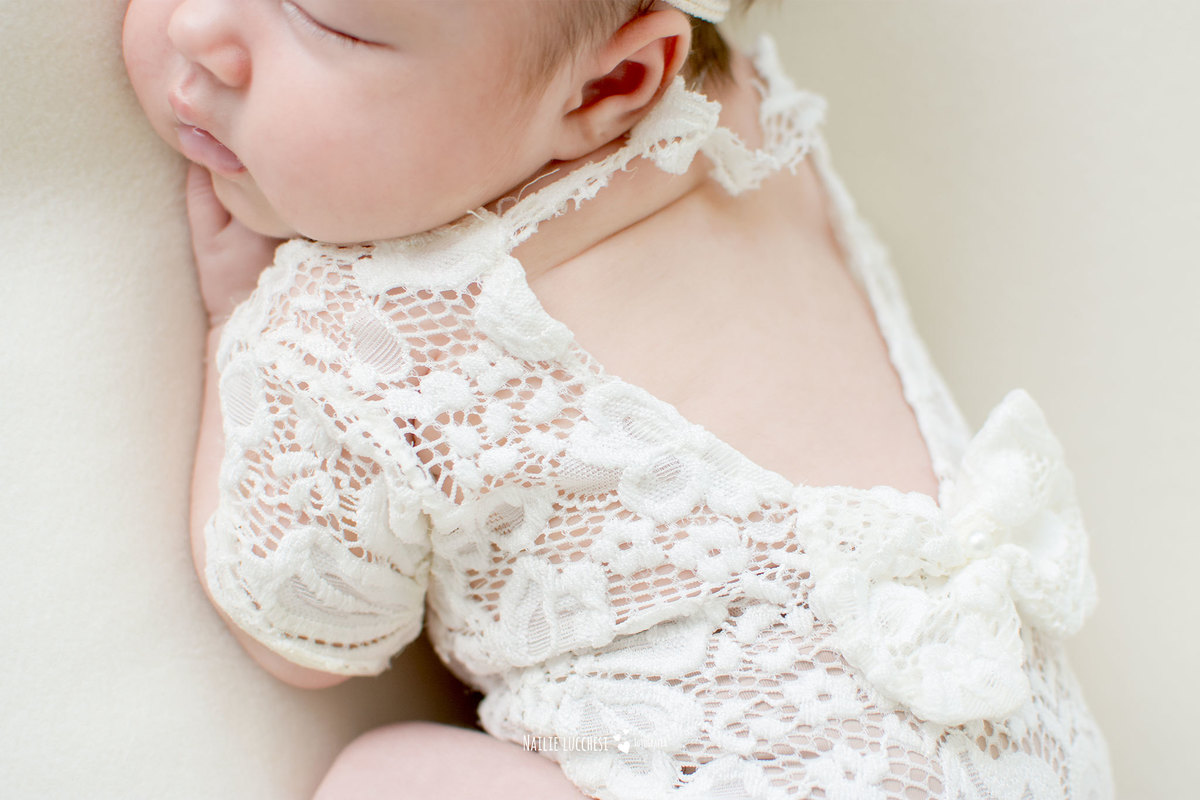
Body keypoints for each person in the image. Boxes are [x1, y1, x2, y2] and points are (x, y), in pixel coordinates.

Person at [122, 1, 1115, 797]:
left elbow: (301, 626)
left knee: (379, 779)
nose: (201, 29)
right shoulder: (754, 124)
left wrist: (232, 326)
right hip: (1030, 754)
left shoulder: (370, 328)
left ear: (615, 81)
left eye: (334, 23)